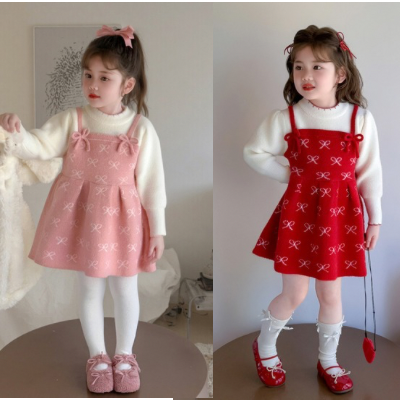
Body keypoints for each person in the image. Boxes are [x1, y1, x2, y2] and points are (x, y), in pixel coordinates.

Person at [0, 25, 166, 394]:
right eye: (88, 74)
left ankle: (125, 356)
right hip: (85, 222)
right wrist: (15, 132)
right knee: (90, 289)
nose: (93, 84)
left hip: (123, 224)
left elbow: (153, 186)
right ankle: (97, 356)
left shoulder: (140, 129)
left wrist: (158, 229)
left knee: (125, 289)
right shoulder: (72, 120)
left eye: (104, 77)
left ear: (127, 85)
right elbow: (39, 146)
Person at [243, 25, 382, 394]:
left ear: (340, 74)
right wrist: (292, 176)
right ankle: (265, 348)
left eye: (317, 67)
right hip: (299, 216)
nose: (306, 75)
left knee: (331, 295)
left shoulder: (359, 119)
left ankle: (329, 361)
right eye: (298, 67)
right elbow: (254, 153)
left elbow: (370, 173)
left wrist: (376, 218)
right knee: (294, 294)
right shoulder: (287, 118)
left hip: (340, 219)